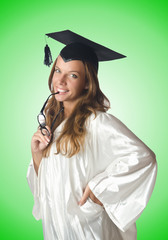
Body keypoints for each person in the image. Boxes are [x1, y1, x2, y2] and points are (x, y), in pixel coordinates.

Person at [27, 30, 157, 240]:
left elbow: (143, 158)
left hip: (89, 229)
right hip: (58, 229)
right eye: (58, 70)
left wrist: (101, 189)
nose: (60, 81)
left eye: (73, 75)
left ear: (87, 82)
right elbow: (48, 191)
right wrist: (37, 155)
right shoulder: (54, 123)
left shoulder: (97, 122)